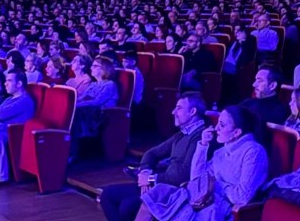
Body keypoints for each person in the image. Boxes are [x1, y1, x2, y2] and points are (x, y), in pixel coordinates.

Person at [136, 106, 268, 221]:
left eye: (222, 125)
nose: (216, 129)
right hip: (203, 198)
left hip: (220, 208)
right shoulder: (221, 152)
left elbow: (242, 197)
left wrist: (214, 184)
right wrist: (203, 145)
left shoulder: (254, 152)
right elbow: (196, 178)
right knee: (156, 194)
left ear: (236, 132)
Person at [100, 92, 212, 221]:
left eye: (179, 108)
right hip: (160, 184)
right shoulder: (181, 134)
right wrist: (145, 173)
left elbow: (183, 175)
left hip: (175, 192)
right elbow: (151, 153)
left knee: (128, 205)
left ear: (192, 111)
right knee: (108, 194)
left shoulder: (200, 137)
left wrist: (151, 179)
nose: (173, 112)